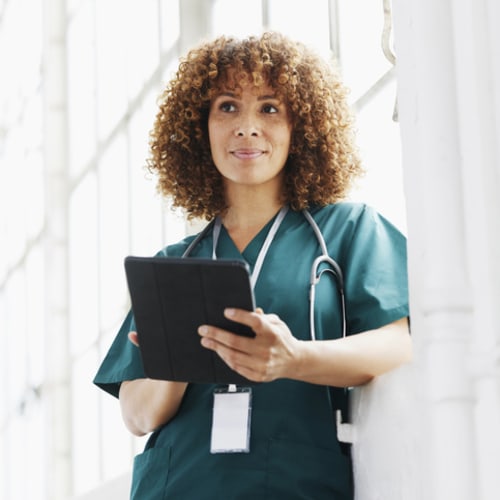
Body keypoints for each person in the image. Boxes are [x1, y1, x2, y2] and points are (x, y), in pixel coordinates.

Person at [94, 31, 412, 499]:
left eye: (268, 108)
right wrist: (177, 359)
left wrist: (295, 358)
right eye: (226, 106)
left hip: (292, 481)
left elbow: (402, 342)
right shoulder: (173, 264)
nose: (246, 127)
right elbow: (138, 416)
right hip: (179, 484)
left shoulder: (347, 231)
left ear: (300, 125)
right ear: (199, 125)